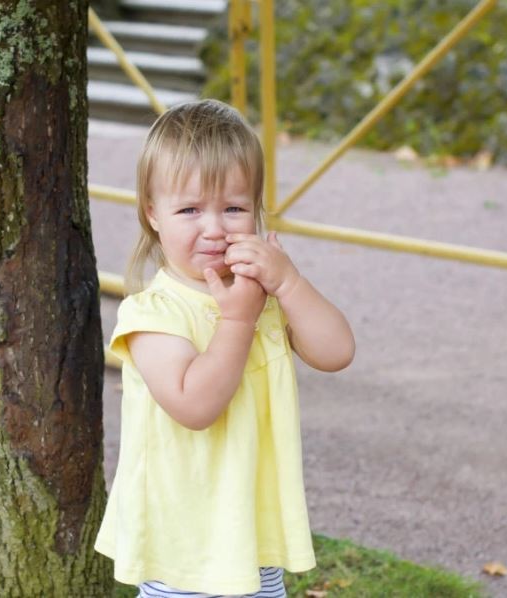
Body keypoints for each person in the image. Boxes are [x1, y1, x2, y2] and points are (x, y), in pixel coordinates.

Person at [94, 99, 355, 598]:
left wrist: (291, 283)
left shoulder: (262, 291)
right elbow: (195, 406)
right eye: (190, 209)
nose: (214, 228)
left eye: (234, 208)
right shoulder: (153, 313)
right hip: (183, 551)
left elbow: (337, 351)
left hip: (253, 538)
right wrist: (238, 318)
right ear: (153, 212)